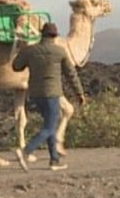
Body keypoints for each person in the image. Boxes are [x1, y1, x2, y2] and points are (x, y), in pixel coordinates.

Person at [11, 22, 86, 171]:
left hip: (35, 94)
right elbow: (71, 74)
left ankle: (54, 161)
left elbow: (16, 66)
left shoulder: (31, 51)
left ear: (42, 34)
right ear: (55, 36)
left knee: (49, 125)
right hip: (52, 94)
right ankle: (25, 151)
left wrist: (22, 50)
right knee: (50, 127)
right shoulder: (60, 52)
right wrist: (79, 93)